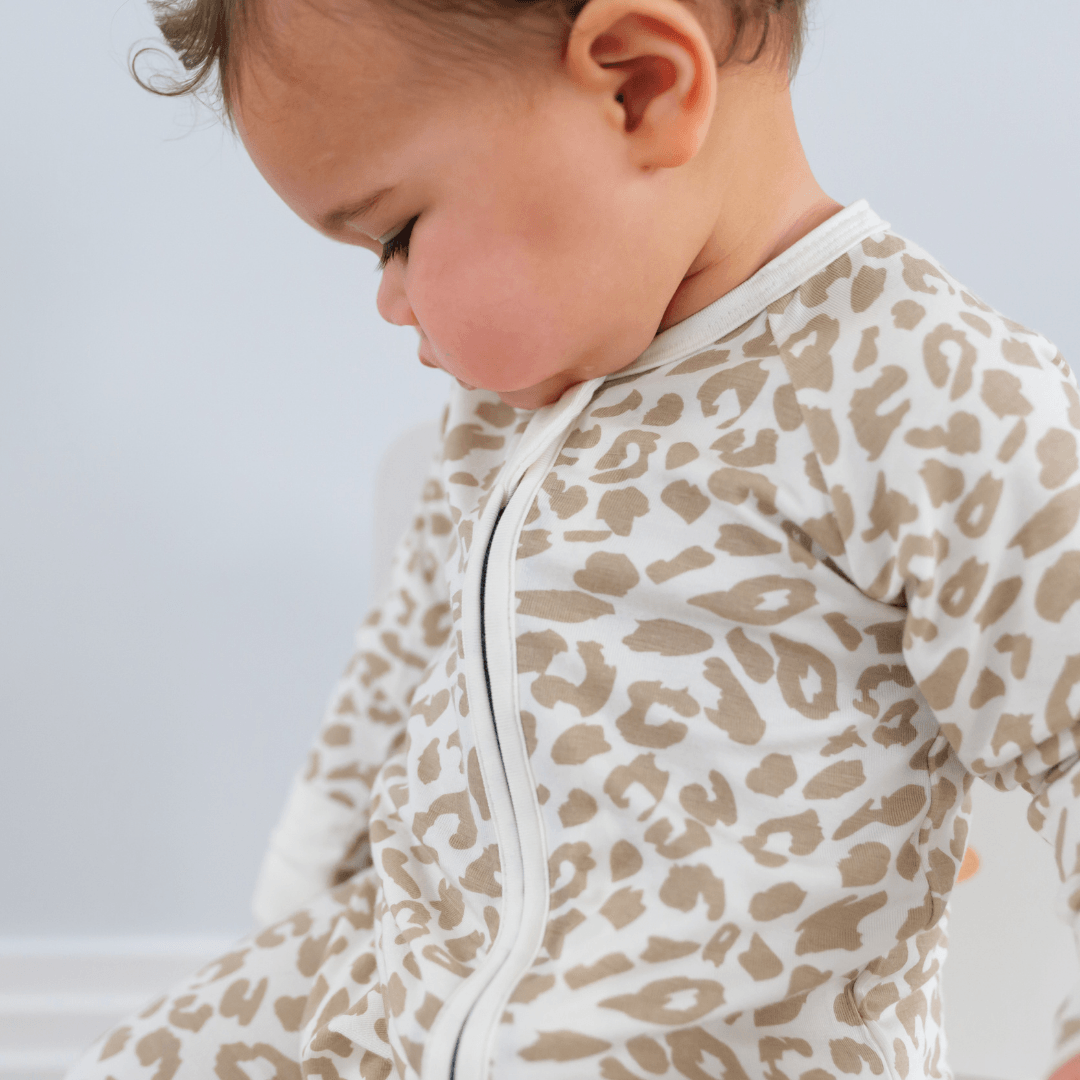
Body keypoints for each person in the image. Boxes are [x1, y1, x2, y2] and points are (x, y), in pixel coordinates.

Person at [69, 0, 1080, 1077]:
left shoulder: (927, 389)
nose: (391, 301)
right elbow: (412, 638)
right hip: (413, 986)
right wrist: (301, 888)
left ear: (641, 88)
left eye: (397, 236)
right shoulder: (516, 405)